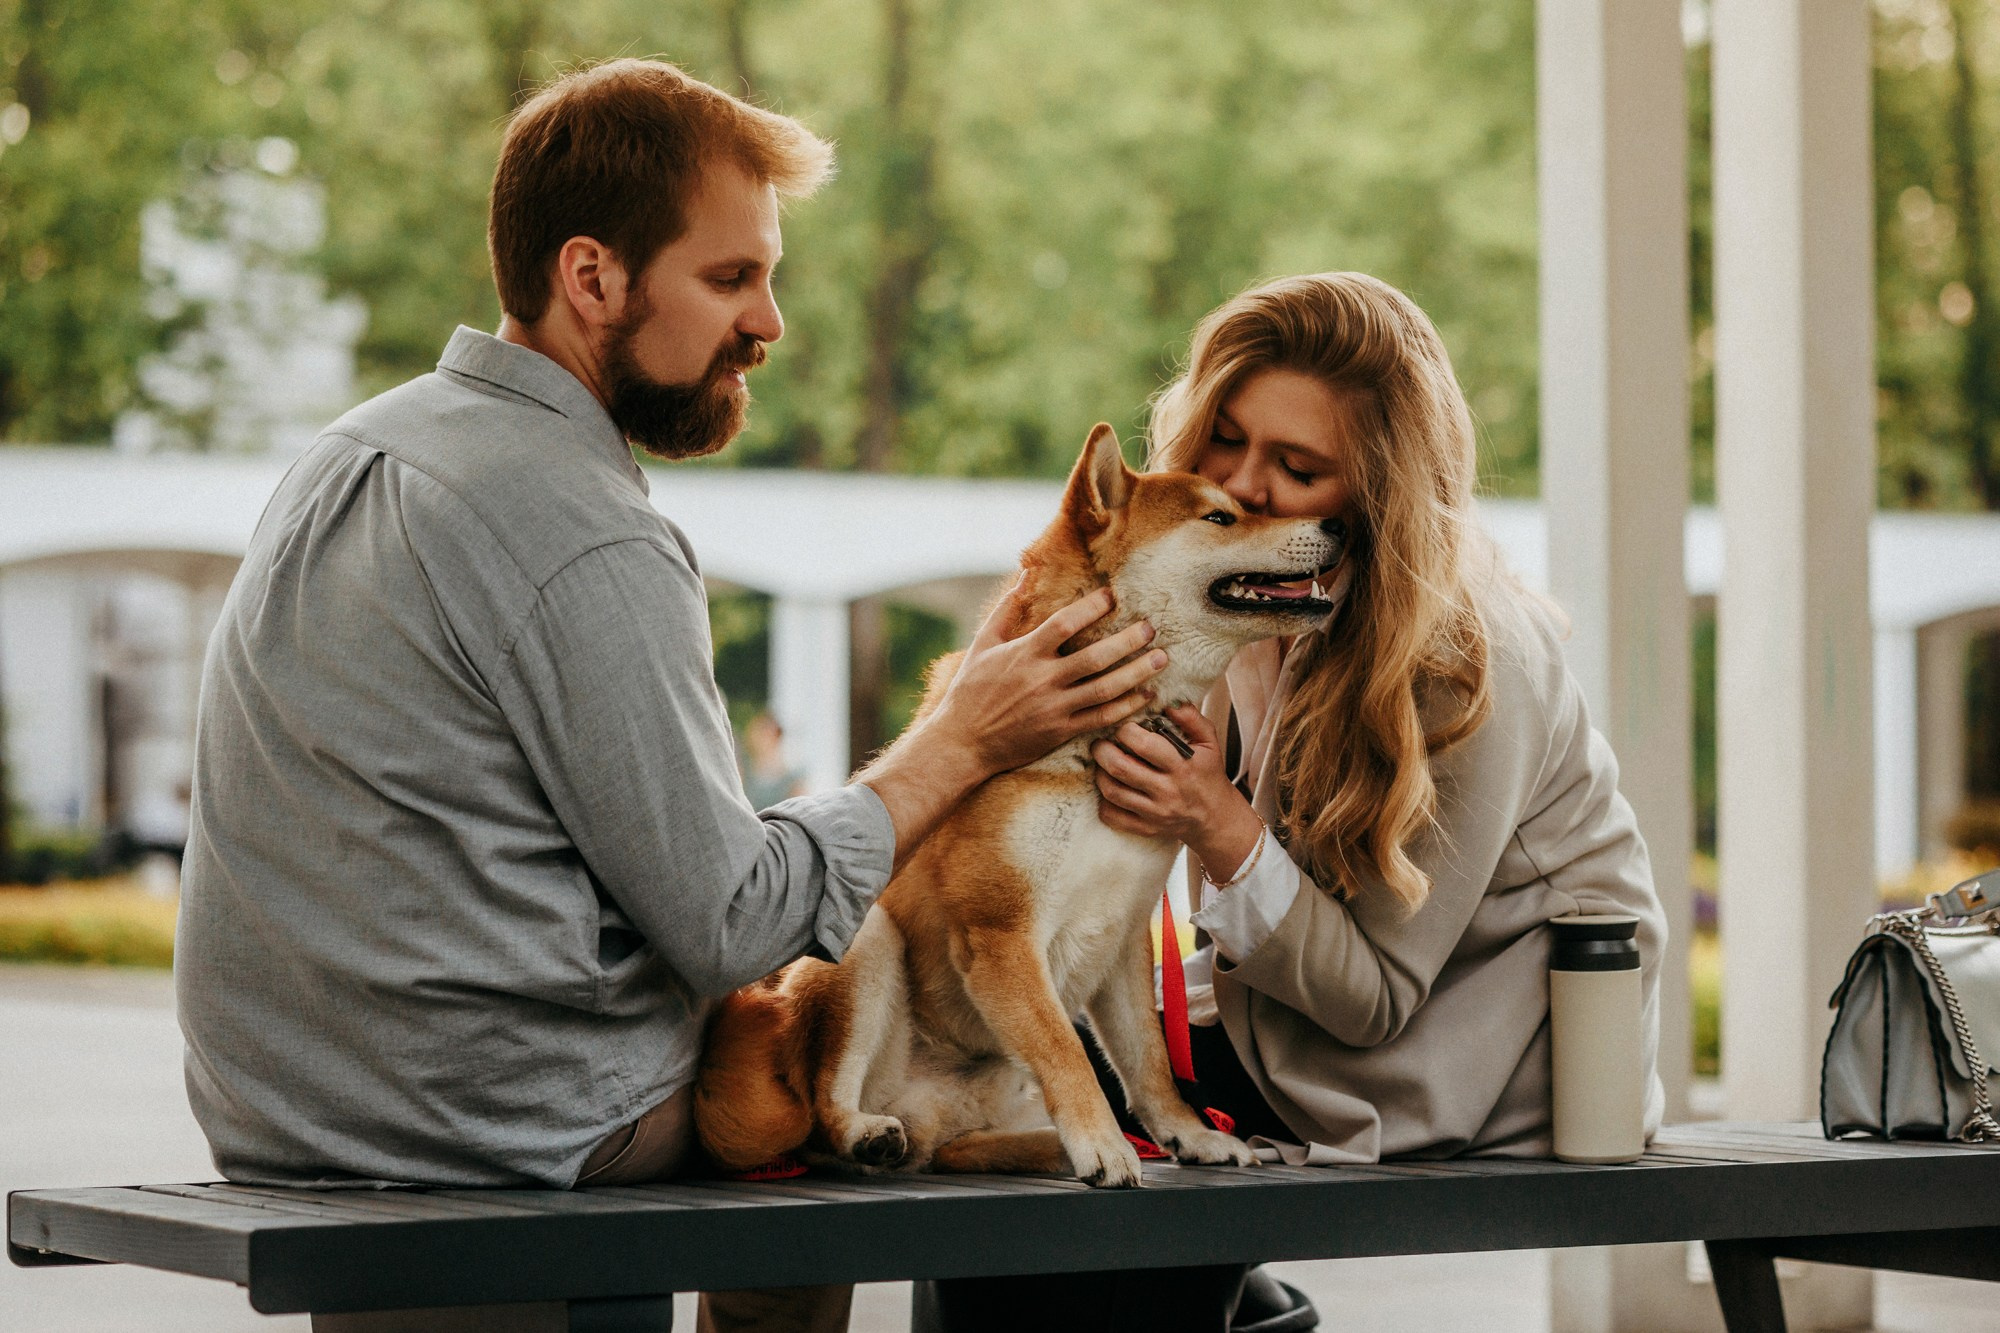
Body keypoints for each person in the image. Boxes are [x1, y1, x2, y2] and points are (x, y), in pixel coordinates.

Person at [175, 57, 1166, 1208]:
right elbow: (729, 922)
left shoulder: (349, 452)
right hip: (506, 1122)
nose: (768, 322)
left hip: (279, 1106)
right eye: (730, 277)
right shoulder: (587, 532)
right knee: (825, 1069)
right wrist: (962, 738)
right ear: (590, 276)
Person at [915, 273, 1666, 1332]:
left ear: (1374, 495)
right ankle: (1247, 1311)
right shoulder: (1237, 597)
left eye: (1297, 467)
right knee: (986, 1141)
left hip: (1469, 1071)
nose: (1244, 485)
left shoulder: (1473, 658)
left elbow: (1374, 999)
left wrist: (1214, 821)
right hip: (1269, 1029)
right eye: (1224, 437)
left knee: (1077, 1242)